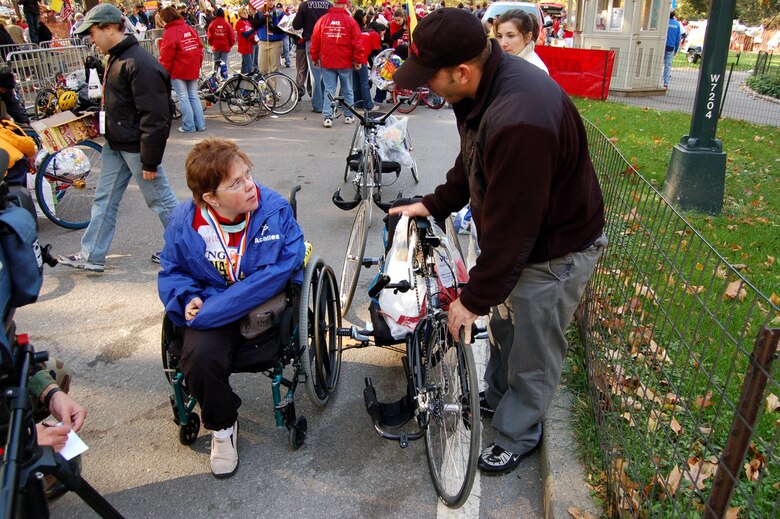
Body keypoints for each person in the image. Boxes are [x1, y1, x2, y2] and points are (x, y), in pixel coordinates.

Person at [390, 8, 606, 476]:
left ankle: (518, 433)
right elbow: (474, 158)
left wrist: (474, 298)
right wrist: (436, 203)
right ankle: (496, 397)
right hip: (523, 239)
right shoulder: (483, 86)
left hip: (555, 250)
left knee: (533, 345)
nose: (427, 87)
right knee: (506, 328)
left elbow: (517, 227)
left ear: (461, 71)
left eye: (430, 79)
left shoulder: (520, 117)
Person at [158, 138, 305, 478]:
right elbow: (172, 270)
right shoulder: (185, 222)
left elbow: (283, 268)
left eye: (248, 175)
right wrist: (185, 297)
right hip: (210, 306)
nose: (250, 186)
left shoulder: (274, 211)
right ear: (210, 197)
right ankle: (222, 429)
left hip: (263, 310)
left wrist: (212, 310)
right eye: (236, 183)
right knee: (199, 357)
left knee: (207, 333)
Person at [59, 4, 179, 273]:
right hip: (119, 144)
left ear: (110, 28)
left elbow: (156, 118)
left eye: (92, 33)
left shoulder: (137, 62)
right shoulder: (119, 57)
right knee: (105, 200)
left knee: (162, 201)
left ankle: (188, 252)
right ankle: (91, 254)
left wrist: (149, 161)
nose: (91, 39)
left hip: (136, 147)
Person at [310, 0, 364, 128]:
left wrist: (314, 57)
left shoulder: (323, 20)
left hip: (328, 60)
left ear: (334, 4)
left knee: (329, 89)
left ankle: (328, 117)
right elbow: (357, 42)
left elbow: (315, 40)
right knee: (347, 90)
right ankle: (349, 115)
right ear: (345, 5)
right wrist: (358, 60)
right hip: (345, 61)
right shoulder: (350, 21)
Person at [159, 6, 206, 134]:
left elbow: (166, 56)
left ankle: (189, 125)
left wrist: (163, 72)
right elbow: (199, 48)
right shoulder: (189, 28)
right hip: (193, 67)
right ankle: (200, 124)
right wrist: (198, 64)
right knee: (194, 96)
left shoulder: (169, 33)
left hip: (178, 69)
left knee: (183, 97)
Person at [292, 0, 332, 113]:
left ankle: (318, 104)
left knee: (315, 74)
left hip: (311, 40)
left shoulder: (305, 5)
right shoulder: (328, 5)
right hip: (327, 40)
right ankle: (326, 101)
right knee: (326, 72)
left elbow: (296, 25)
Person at [495, 9, 548, 74]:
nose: (503, 43)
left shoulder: (536, 70)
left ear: (528, 37)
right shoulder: (499, 63)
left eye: (511, 36)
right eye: (499, 36)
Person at [252, 1, 285, 76]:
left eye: (272, 0)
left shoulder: (279, 13)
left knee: (274, 68)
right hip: (263, 42)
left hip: (276, 42)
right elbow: (255, 25)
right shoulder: (259, 12)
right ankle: (264, 86)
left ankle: (272, 87)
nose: (270, 2)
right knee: (262, 67)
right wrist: (263, 19)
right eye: (269, 0)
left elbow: (284, 28)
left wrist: (273, 28)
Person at [207, 7, 236, 78]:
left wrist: (212, 44)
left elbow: (209, 36)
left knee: (215, 63)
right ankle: (224, 77)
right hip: (225, 47)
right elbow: (232, 37)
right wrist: (230, 45)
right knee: (224, 63)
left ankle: (214, 78)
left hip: (215, 47)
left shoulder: (212, 24)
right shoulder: (227, 24)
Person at [663, 10, 682, 89]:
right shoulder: (677, 24)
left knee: (657, 64)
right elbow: (678, 39)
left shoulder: (664, 23)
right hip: (671, 47)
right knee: (668, 65)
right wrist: (676, 49)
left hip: (662, 46)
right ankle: (666, 83)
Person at [236, 7, 257, 74]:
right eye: (244, 13)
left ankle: (242, 77)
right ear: (240, 14)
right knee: (249, 65)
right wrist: (253, 30)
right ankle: (249, 78)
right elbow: (245, 34)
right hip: (245, 46)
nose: (246, 14)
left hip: (250, 44)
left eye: (246, 13)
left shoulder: (247, 22)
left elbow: (251, 31)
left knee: (245, 64)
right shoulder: (239, 23)